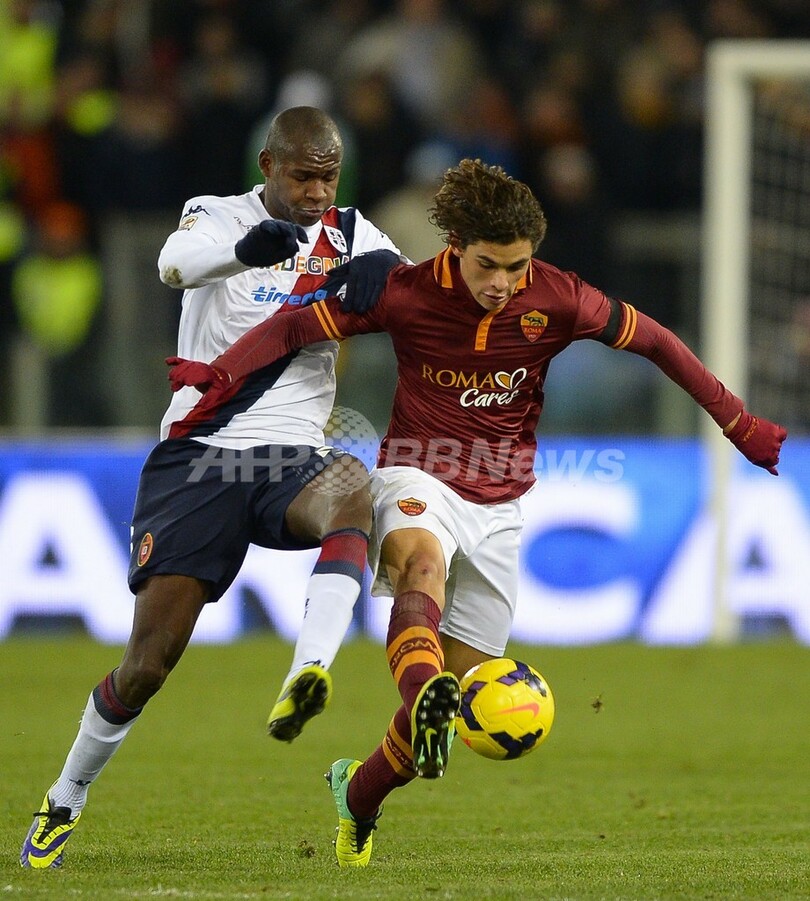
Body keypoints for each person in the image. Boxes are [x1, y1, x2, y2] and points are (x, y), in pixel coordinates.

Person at [165, 158, 787, 867]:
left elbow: (657, 342)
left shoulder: (559, 297)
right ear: (456, 245)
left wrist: (738, 422)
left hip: (501, 502)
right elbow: (293, 329)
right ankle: (425, 688)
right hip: (416, 472)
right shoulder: (406, 293)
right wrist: (215, 377)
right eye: (488, 265)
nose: (502, 283)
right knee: (420, 569)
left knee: (459, 701)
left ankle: (358, 793)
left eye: (516, 267)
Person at [20, 105, 405, 870]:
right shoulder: (217, 214)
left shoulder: (352, 232)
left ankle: (309, 669)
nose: (317, 192)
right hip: (199, 458)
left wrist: (387, 278)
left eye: (328, 177)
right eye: (304, 176)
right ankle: (66, 794)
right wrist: (243, 251)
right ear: (268, 166)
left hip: (291, 456)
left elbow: (412, 285)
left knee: (351, 489)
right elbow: (175, 265)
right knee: (148, 663)